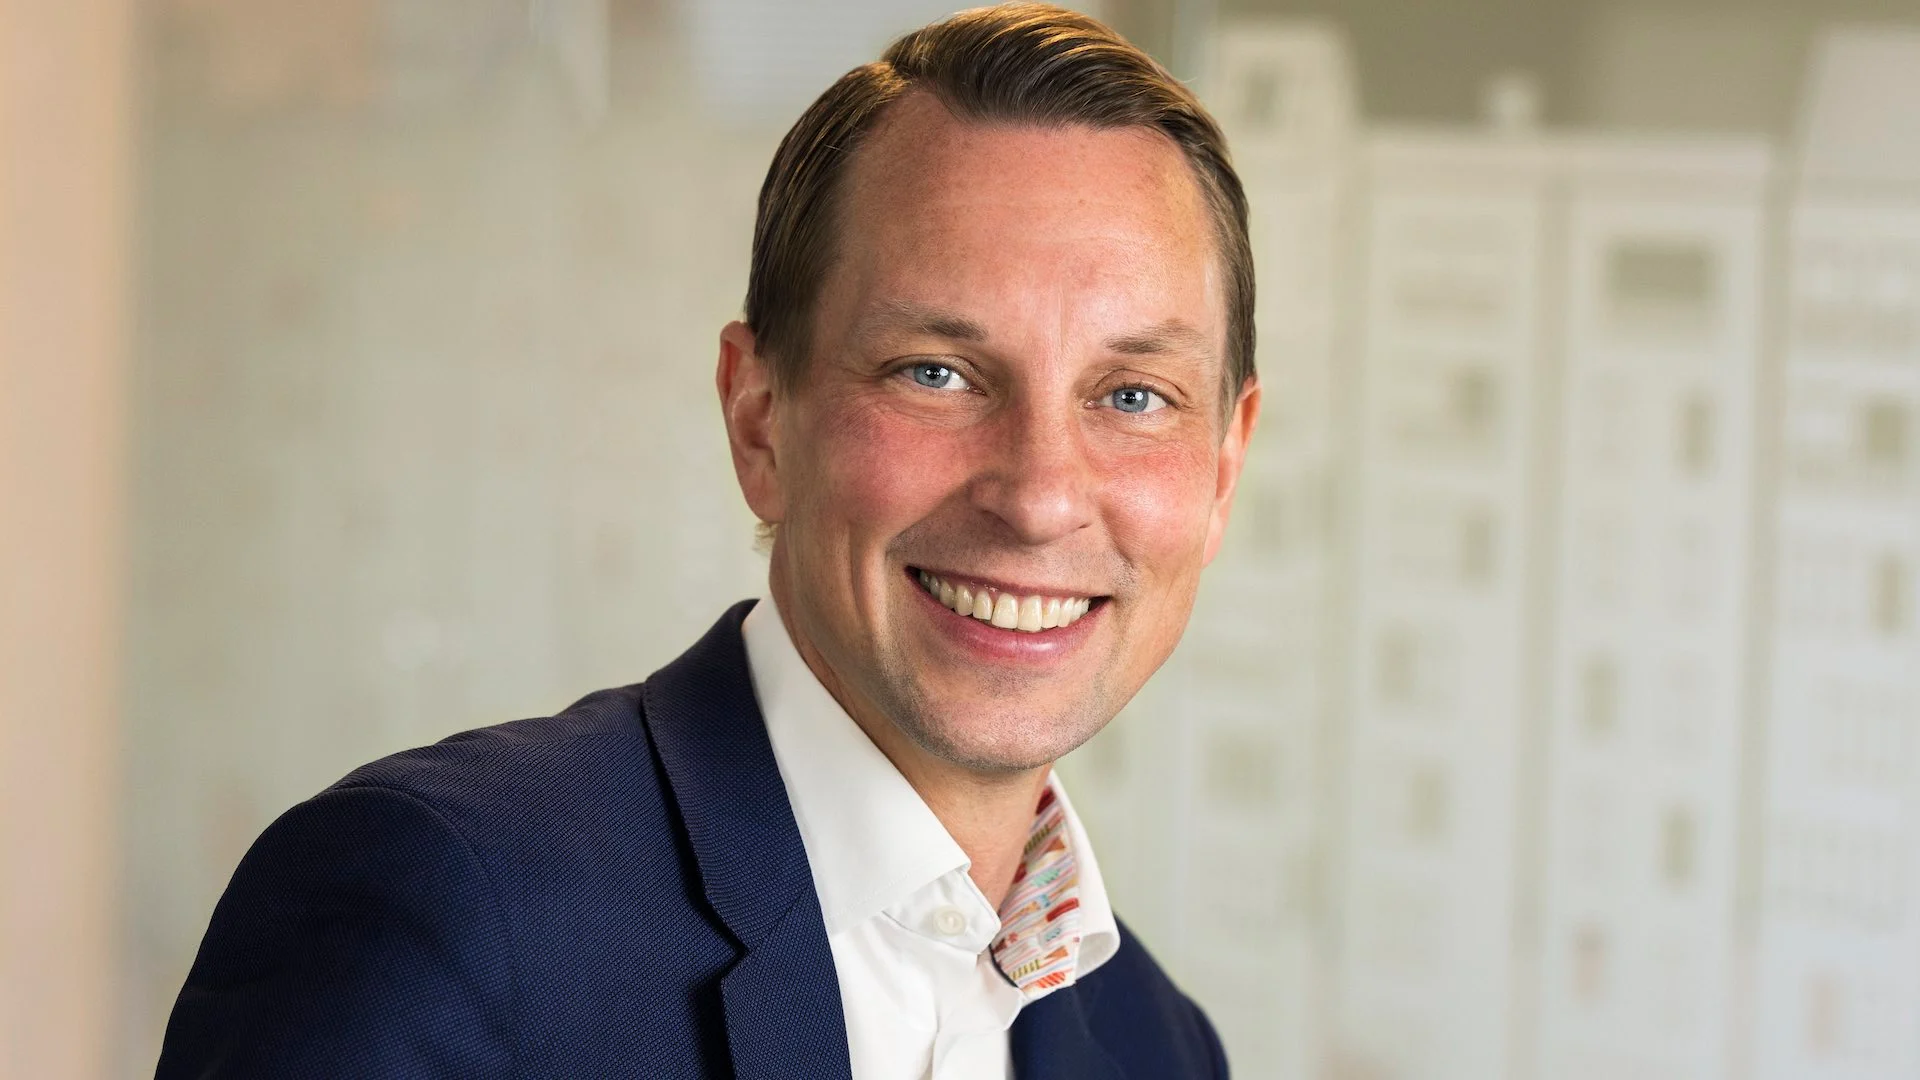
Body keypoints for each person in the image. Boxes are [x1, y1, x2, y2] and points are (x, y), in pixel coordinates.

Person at [156, 4, 1260, 1077]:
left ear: (1223, 468)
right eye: (936, 373)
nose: (1039, 497)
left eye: (1134, 396)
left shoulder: (1159, 1047)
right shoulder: (444, 918)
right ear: (759, 419)